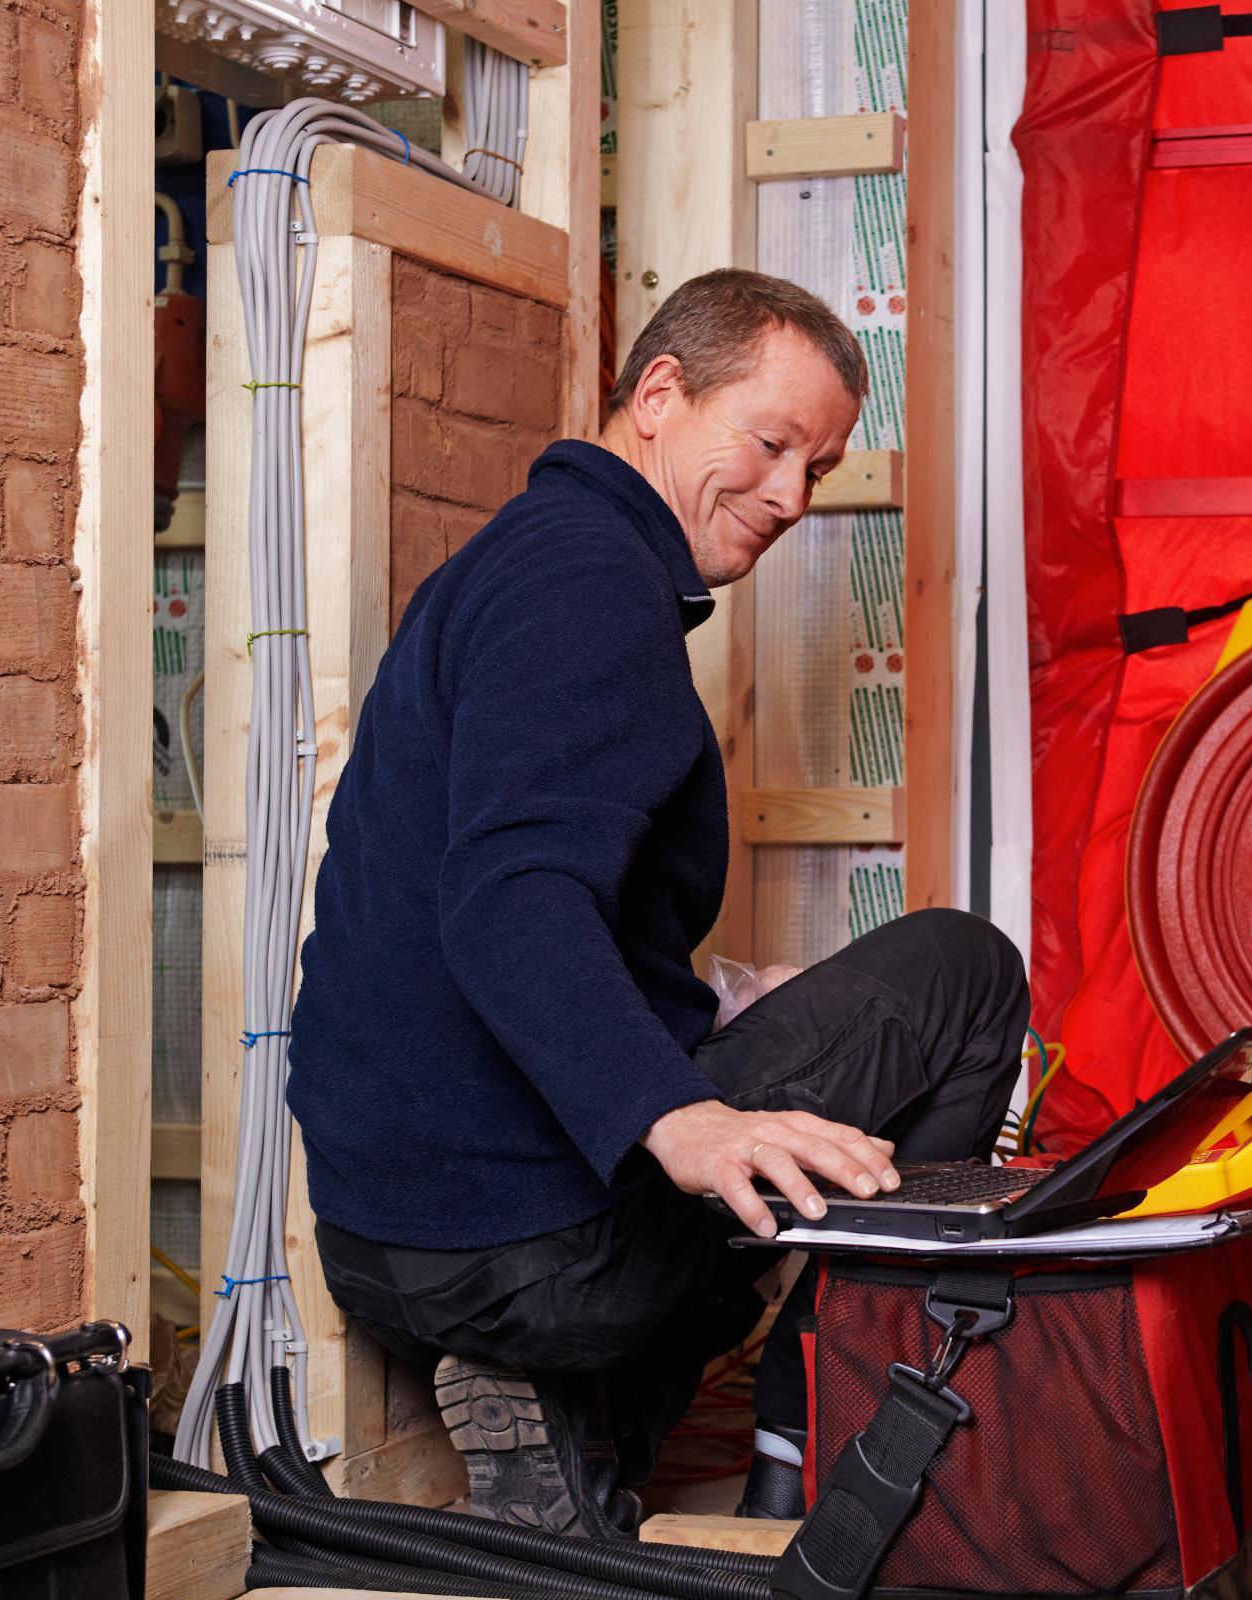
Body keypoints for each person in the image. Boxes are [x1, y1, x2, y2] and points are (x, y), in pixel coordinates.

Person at [286, 269, 1028, 1536]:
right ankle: (816, 1423)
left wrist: (735, 1004)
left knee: (783, 1038)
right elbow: (514, 898)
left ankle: (583, 1424)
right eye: (774, 442)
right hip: (535, 1255)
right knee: (965, 969)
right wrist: (685, 1117)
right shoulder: (590, 587)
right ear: (662, 394)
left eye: (822, 468)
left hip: (385, 1243)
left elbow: (538, 895)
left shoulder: (526, 564)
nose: (794, 496)